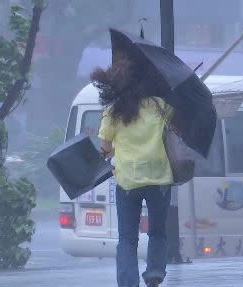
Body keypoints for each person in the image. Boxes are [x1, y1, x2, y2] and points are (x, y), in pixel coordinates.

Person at [91, 57, 174, 287]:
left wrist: (118, 147)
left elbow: (106, 149)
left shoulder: (112, 112)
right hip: (159, 178)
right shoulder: (160, 105)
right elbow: (173, 130)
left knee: (127, 239)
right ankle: (155, 272)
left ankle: (128, 283)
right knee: (158, 231)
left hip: (127, 180)